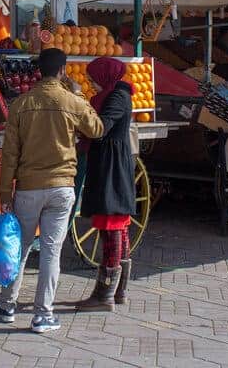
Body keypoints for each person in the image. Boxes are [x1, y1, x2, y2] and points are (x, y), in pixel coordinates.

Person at [0, 48, 104, 333]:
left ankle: (6, 306)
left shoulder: (21, 104)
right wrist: (78, 95)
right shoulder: (71, 101)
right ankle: (43, 315)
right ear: (63, 71)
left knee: (21, 248)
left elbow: (10, 155)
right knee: (51, 253)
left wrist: (5, 194)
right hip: (62, 188)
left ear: (39, 71)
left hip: (28, 189)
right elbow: (97, 129)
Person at [74, 57, 136, 311]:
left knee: (112, 224)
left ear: (105, 76)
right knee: (117, 225)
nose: (91, 83)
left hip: (112, 166)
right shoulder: (113, 95)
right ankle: (117, 291)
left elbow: (101, 127)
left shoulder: (116, 98)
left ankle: (104, 295)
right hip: (110, 162)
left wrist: (80, 106)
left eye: (93, 79)